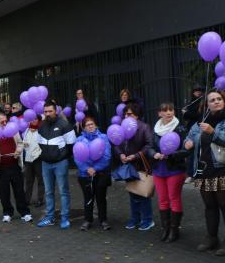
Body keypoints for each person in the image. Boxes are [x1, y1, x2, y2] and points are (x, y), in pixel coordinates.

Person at [184, 90, 225, 256]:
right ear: (207, 104)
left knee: (224, 205)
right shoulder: (201, 121)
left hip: (222, 169)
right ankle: (211, 238)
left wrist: (212, 132)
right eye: (212, 100)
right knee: (210, 206)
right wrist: (187, 141)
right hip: (203, 169)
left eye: (219, 99)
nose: (216, 102)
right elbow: (190, 136)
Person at [148, 102, 188, 242]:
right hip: (159, 169)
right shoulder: (156, 129)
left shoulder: (180, 128)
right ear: (160, 113)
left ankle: (174, 229)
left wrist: (171, 155)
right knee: (162, 199)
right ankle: (165, 228)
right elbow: (150, 147)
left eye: (171, 110)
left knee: (174, 198)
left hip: (174, 169)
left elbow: (186, 150)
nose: (169, 112)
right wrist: (154, 154)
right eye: (165, 110)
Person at [0, 112, 31, 223]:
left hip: (15, 166)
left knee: (19, 191)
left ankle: (24, 212)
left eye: (6, 121)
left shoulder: (13, 130)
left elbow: (20, 143)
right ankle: (7, 213)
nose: (5, 123)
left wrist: (18, 151)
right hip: (1, 168)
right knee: (4, 192)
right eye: (2, 121)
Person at [114, 103, 154, 231]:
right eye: (125, 113)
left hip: (140, 164)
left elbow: (149, 145)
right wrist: (120, 154)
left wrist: (136, 156)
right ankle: (135, 218)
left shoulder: (144, 127)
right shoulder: (122, 126)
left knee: (143, 193)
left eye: (129, 113)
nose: (126, 116)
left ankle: (147, 219)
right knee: (132, 192)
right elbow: (117, 142)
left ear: (137, 115)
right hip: (128, 165)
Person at [36, 101, 76, 229]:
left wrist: (62, 156)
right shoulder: (41, 126)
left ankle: (65, 218)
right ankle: (50, 217)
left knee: (63, 191)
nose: (47, 114)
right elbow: (39, 143)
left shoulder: (65, 125)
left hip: (60, 163)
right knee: (48, 192)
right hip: (45, 164)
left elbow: (71, 145)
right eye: (45, 111)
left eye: (50, 111)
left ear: (56, 111)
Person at [73, 117, 112, 231]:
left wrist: (95, 168)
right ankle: (87, 220)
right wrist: (86, 169)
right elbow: (77, 157)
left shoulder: (103, 137)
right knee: (88, 198)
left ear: (95, 125)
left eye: (92, 124)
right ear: (84, 128)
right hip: (84, 174)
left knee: (101, 198)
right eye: (87, 125)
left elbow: (107, 156)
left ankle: (103, 220)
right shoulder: (79, 139)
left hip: (100, 173)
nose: (90, 126)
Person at [182, 85, 205, 183]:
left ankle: (198, 174)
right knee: (191, 151)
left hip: (201, 129)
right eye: (196, 91)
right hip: (193, 128)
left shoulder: (202, 102)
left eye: (200, 91)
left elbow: (197, 115)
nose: (198, 93)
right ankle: (191, 174)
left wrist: (186, 113)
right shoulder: (191, 102)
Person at [22, 117, 44, 208]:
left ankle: (40, 199)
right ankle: (27, 200)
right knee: (28, 180)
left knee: (40, 180)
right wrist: (24, 144)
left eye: (36, 119)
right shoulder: (27, 130)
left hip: (38, 158)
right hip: (28, 158)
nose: (34, 120)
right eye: (32, 119)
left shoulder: (41, 130)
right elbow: (24, 142)